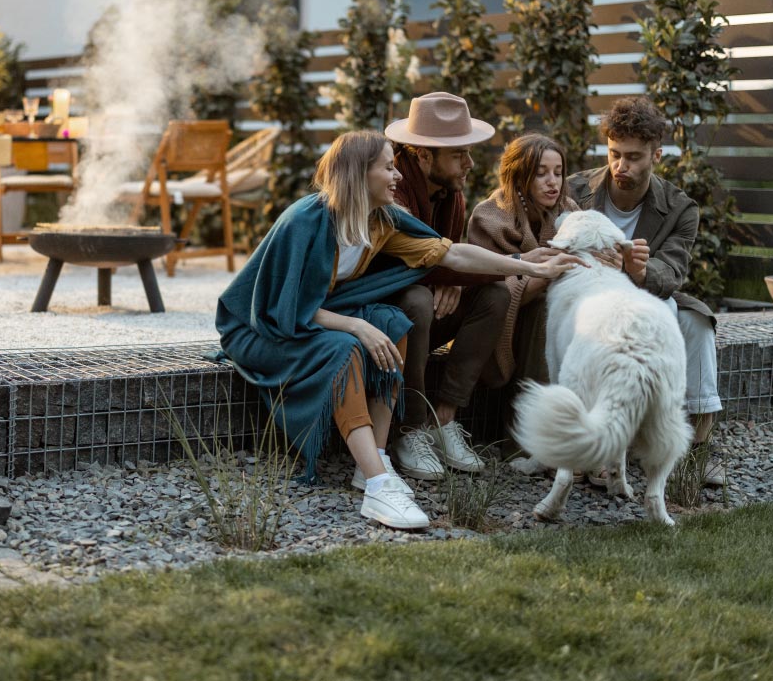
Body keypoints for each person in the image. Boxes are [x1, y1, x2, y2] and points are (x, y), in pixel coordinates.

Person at [215, 130, 582, 530]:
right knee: (346, 348)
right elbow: (280, 309)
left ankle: (373, 458)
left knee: (392, 323)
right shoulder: (306, 221)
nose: (398, 177)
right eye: (388, 168)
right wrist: (356, 325)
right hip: (260, 330)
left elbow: (453, 253)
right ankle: (378, 484)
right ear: (359, 173)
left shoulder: (382, 221)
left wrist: (530, 266)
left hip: (310, 318)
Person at [384, 94, 555, 481]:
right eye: (459, 154)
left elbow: (448, 260)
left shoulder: (452, 195)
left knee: (495, 294)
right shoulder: (393, 193)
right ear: (424, 156)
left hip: (425, 309)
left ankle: (443, 419)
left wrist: (452, 280)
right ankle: (410, 431)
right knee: (417, 300)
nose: (470, 163)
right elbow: (418, 263)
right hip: (382, 316)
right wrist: (449, 276)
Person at [566, 96, 726, 486]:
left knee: (697, 322)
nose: (621, 166)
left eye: (634, 157)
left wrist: (638, 270)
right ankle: (605, 444)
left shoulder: (679, 208)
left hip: (649, 296)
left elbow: (672, 270)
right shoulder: (575, 190)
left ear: (656, 154)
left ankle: (699, 448)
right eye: (614, 154)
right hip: (586, 300)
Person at [466, 134, 580, 388]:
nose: (553, 182)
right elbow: (489, 293)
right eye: (541, 174)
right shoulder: (490, 218)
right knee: (543, 308)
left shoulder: (569, 211)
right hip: (503, 325)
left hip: (568, 320)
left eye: (558, 173)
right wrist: (544, 275)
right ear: (519, 176)